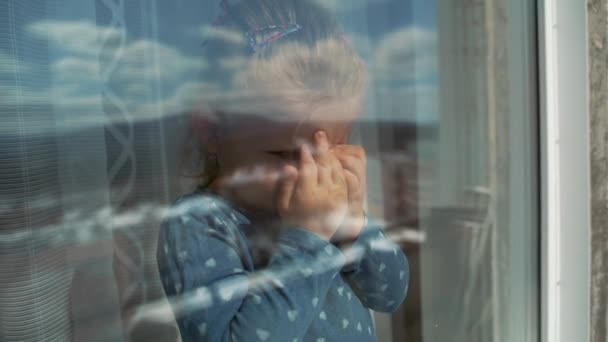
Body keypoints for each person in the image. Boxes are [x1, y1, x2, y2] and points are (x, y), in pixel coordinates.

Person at [157, 1, 409, 341]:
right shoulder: (199, 222)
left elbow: (390, 295)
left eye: (332, 149)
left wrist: (354, 225)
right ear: (212, 130)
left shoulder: (328, 211)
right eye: (289, 154)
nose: (315, 171)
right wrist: (306, 239)